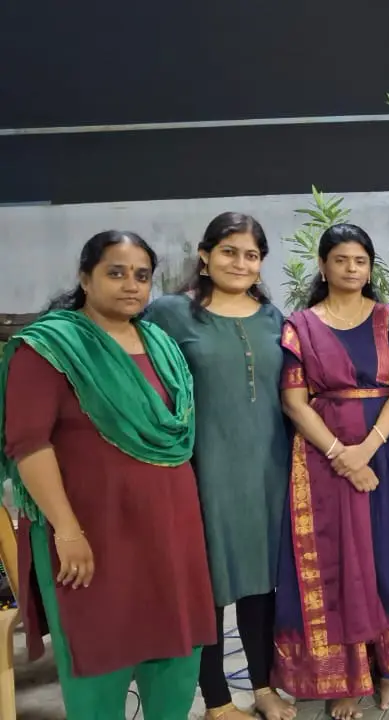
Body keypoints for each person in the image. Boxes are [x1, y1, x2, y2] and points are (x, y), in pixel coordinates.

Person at [0, 231, 215, 719]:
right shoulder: (50, 348)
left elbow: (179, 437)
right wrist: (67, 530)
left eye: (141, 276)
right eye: (115, 273)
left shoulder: (160, 344)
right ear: (85, 277)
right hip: (90, 538)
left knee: (176, 661)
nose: (131, 285)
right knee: (99, 665)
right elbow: (28, 445)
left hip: (169, 534)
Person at [273, 223, 389, 720]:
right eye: (341, 260)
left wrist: (367, 449)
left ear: (370, 267)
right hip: (322, 459)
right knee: (341, 564)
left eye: (360, 261)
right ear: (323, 266)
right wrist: (341, 453)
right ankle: (343, 681)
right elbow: (295, 402)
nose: (351, 269)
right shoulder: (300, 325)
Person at [144, 212, 295, 720]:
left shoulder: (273, 318)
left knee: (262, 583)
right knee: (206, 584)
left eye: (251, 254)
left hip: (268, 468)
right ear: (205, 255)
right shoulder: (169, 313)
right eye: (229, 251)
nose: (240, 262)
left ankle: (264, 686)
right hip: (201, 471)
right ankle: (217, 699)